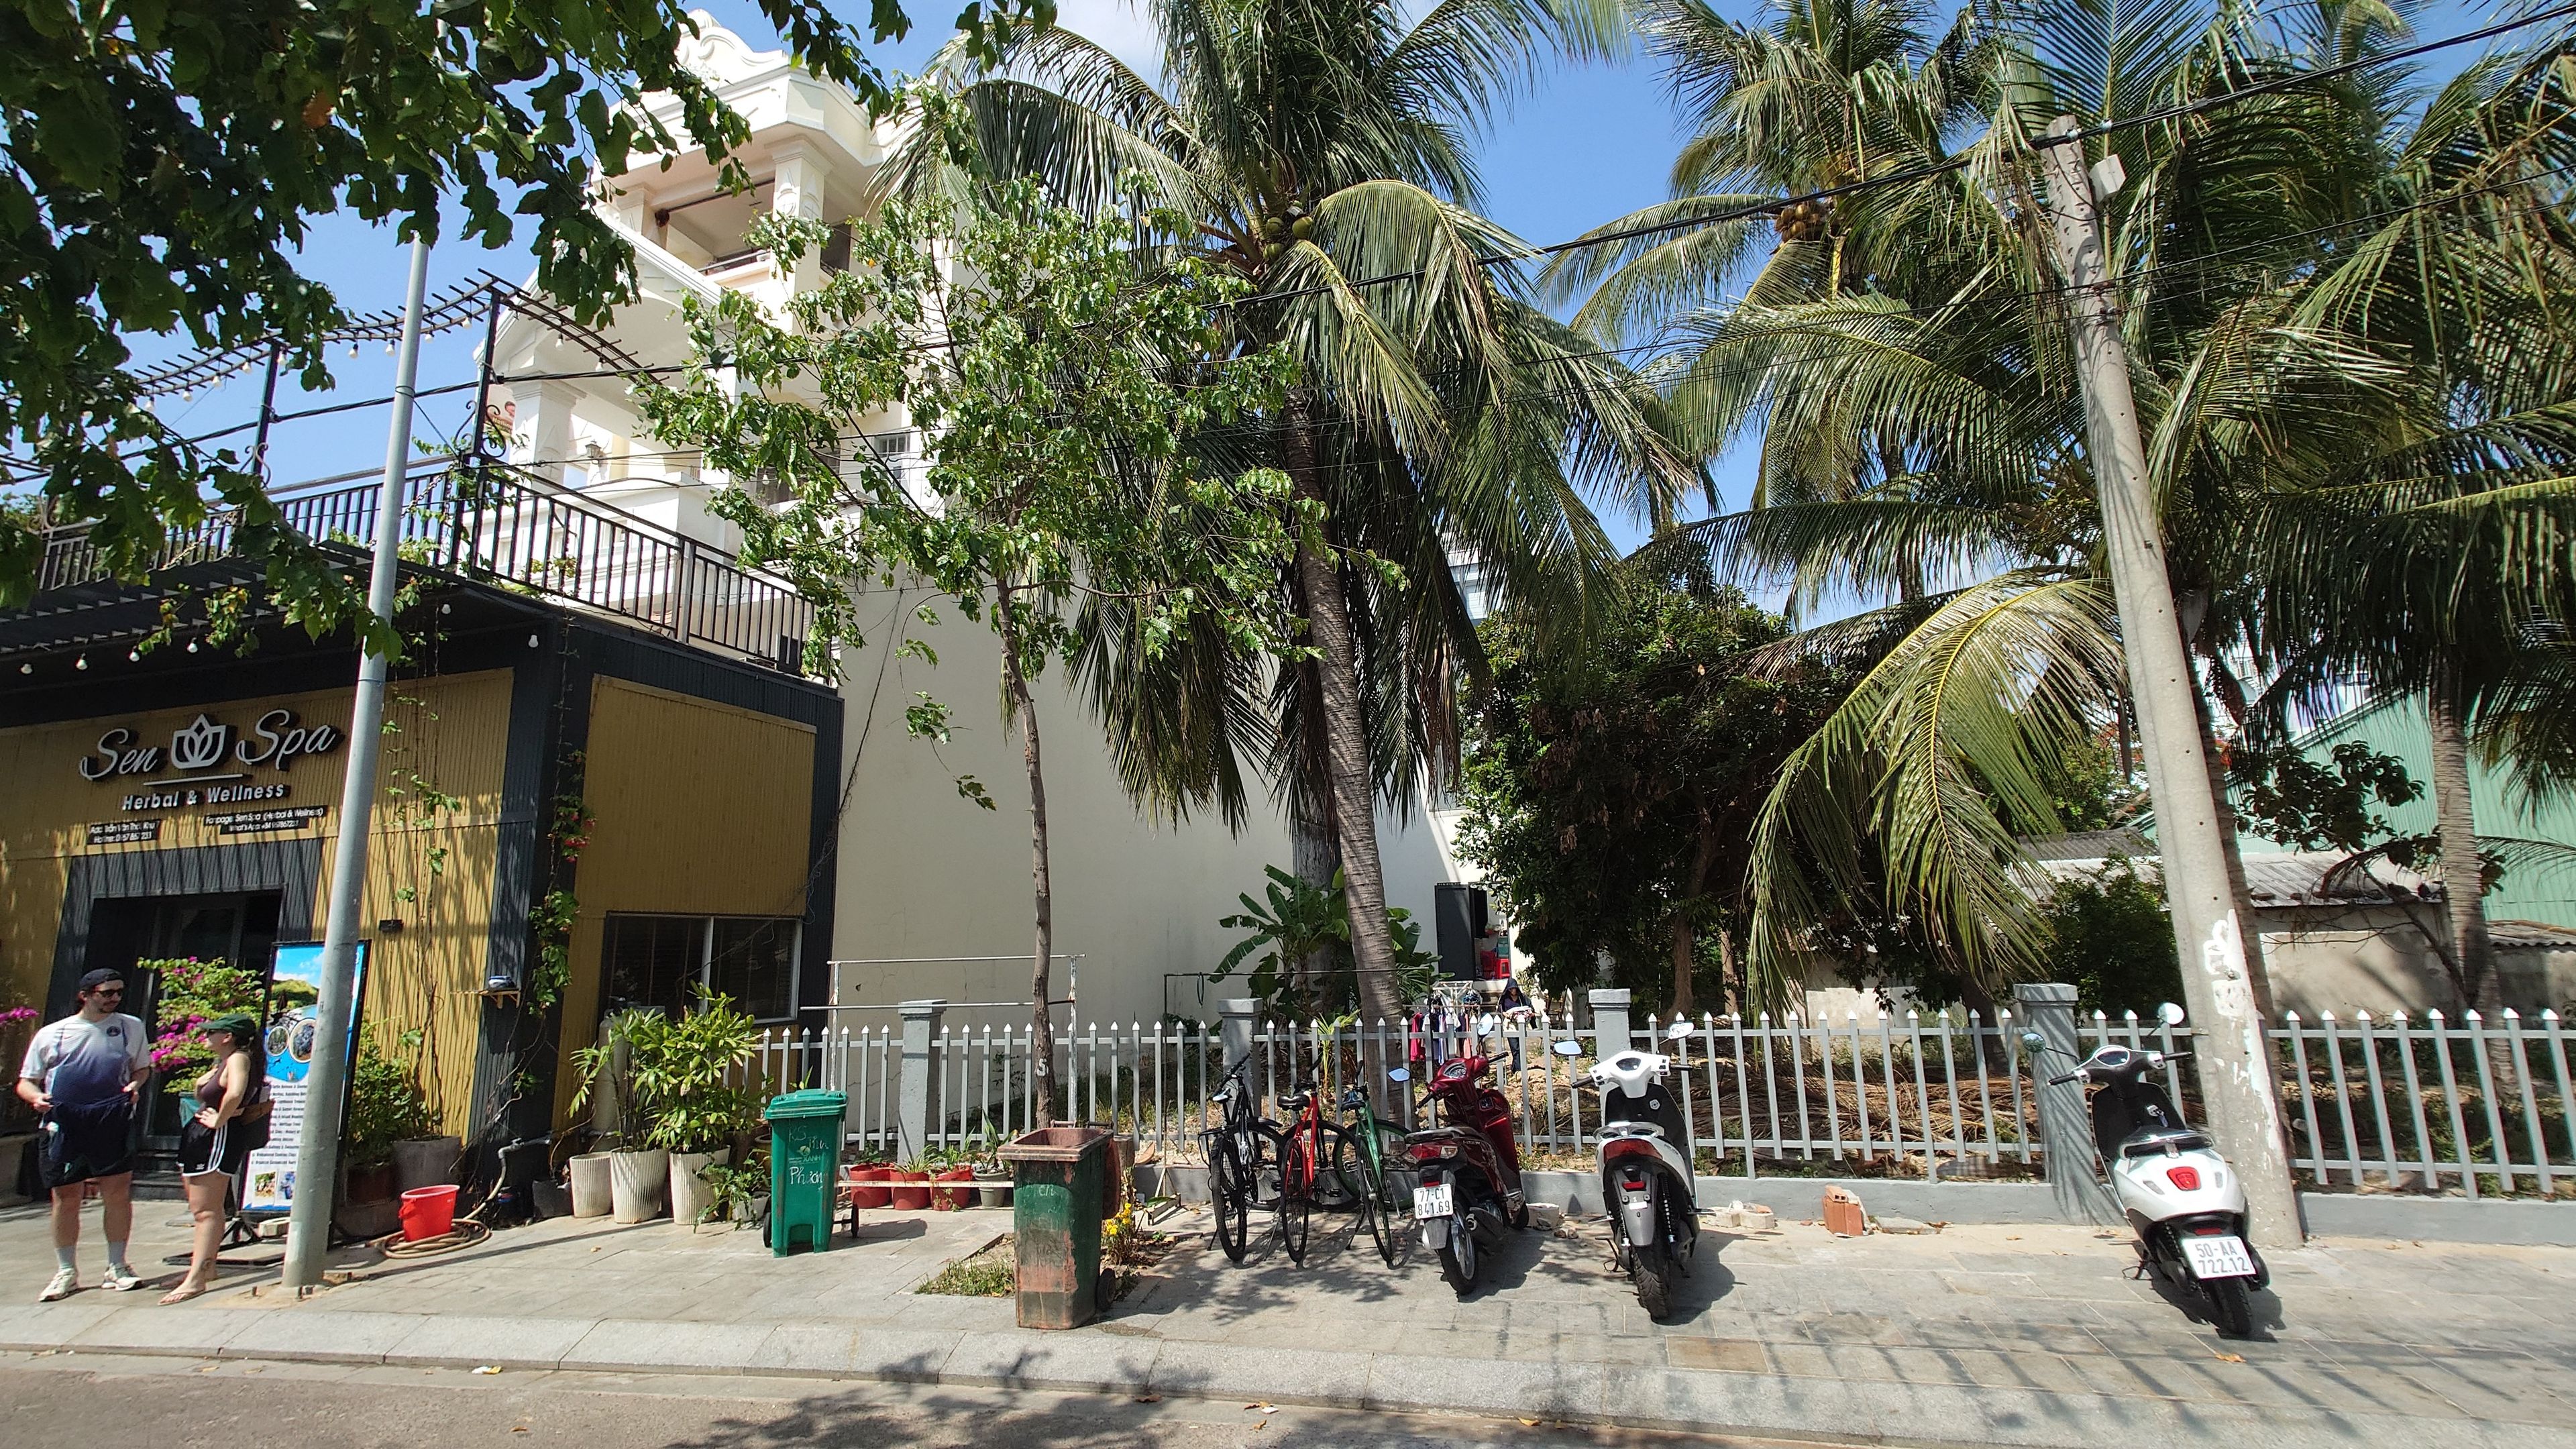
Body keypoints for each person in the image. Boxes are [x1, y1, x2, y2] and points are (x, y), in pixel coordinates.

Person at [16, 969, 151, 1301]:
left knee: (117, 1192)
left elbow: (142, 1067)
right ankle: (66, 1271)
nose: (115, 998)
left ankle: (117, 1265)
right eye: (107, 993)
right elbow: (26, 1080)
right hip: (64, 1121)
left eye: (119, 992)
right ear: (86, 994)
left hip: (112, 1118)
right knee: (66, 1197)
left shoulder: (131, 1027)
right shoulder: (54, 1033)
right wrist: (36, 1098)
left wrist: (136, 1085)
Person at [162, 1012, 269, 1305]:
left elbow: (235, 1093)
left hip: (216, 1137)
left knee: (207, 1210)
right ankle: (204, 1268)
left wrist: (220, 1119)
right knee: (200, 1209)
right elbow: (208, 1094)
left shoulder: (238, 1059)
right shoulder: (222, 1061)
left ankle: (197, 1277)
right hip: (198, 1134)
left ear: (228, 1036)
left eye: (212, 1032)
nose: (206, 1037)